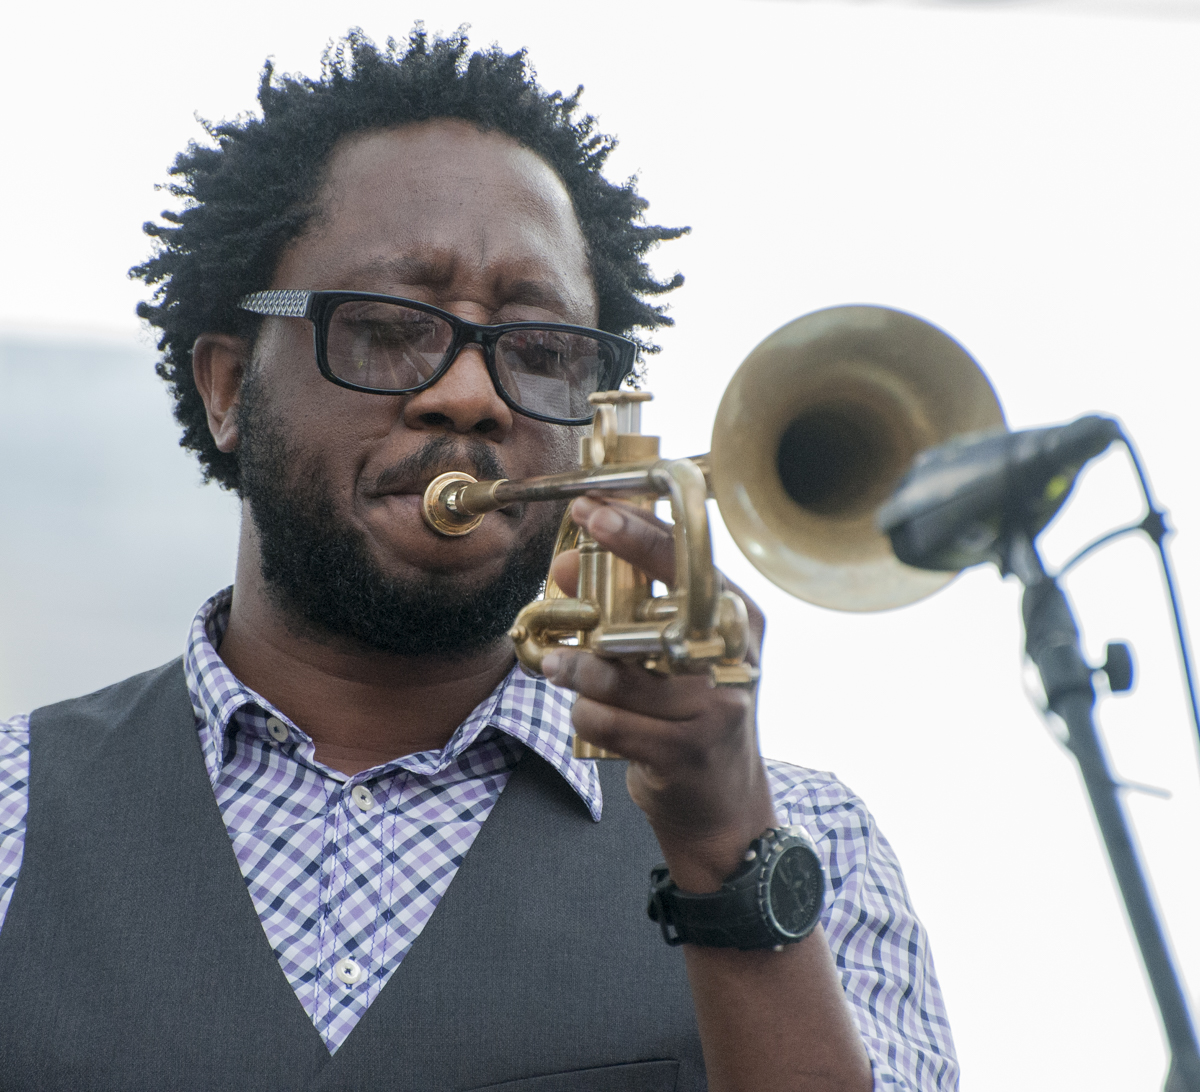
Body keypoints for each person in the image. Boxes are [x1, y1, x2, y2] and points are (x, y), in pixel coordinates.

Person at [0, 29, 956, 1092]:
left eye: (540, 352)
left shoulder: (807, 842)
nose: (470, 396)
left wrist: (726, 848)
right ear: (228, 389)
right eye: (385, 329)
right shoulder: (12, 801)